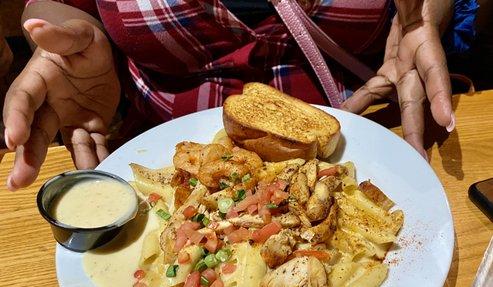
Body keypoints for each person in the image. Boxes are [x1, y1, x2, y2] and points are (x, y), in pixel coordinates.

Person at [2, 0, 477, 191]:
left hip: (382, 140)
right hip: (158, 156)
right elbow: (60, 4)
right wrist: (63, 36)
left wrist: (424, 15)